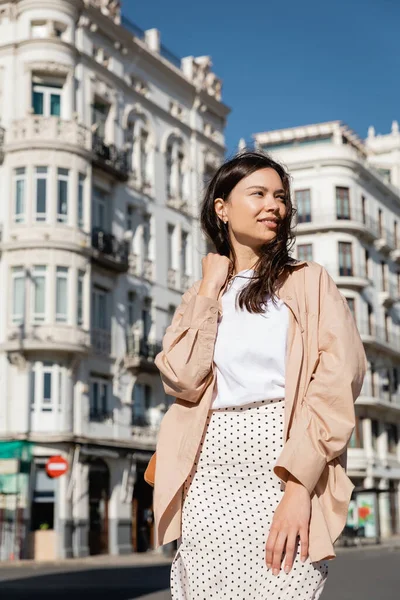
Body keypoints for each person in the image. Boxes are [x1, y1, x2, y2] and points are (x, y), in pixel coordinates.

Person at [152, 151, 367, 599]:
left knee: (286, 583)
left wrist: (296, 486)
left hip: (285, 456)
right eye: (259, 194)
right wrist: (212, 289)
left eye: (280, 197)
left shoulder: (309, 282)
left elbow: (337, 382)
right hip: (208, 469)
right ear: (222, 208)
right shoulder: (201, 293)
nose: (274, 205)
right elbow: (182, 378)